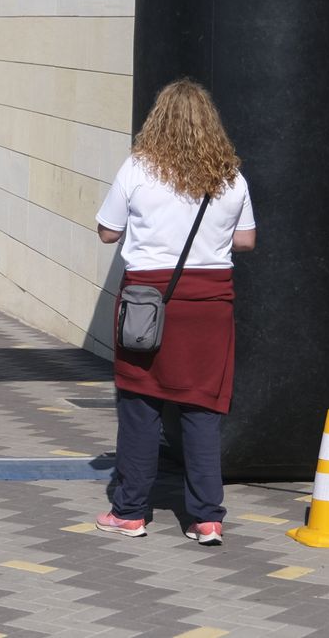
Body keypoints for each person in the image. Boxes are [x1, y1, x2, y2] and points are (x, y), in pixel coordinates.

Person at [93, 78, 255, 547]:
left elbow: (107, 232)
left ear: (157, 121)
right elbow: (245, 240)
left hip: (147, 303)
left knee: (140, 404)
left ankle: (129, 512)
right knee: (202, 407)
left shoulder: (137, 169)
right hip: (209, 307)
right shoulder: (230, 177)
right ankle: (206, 518)